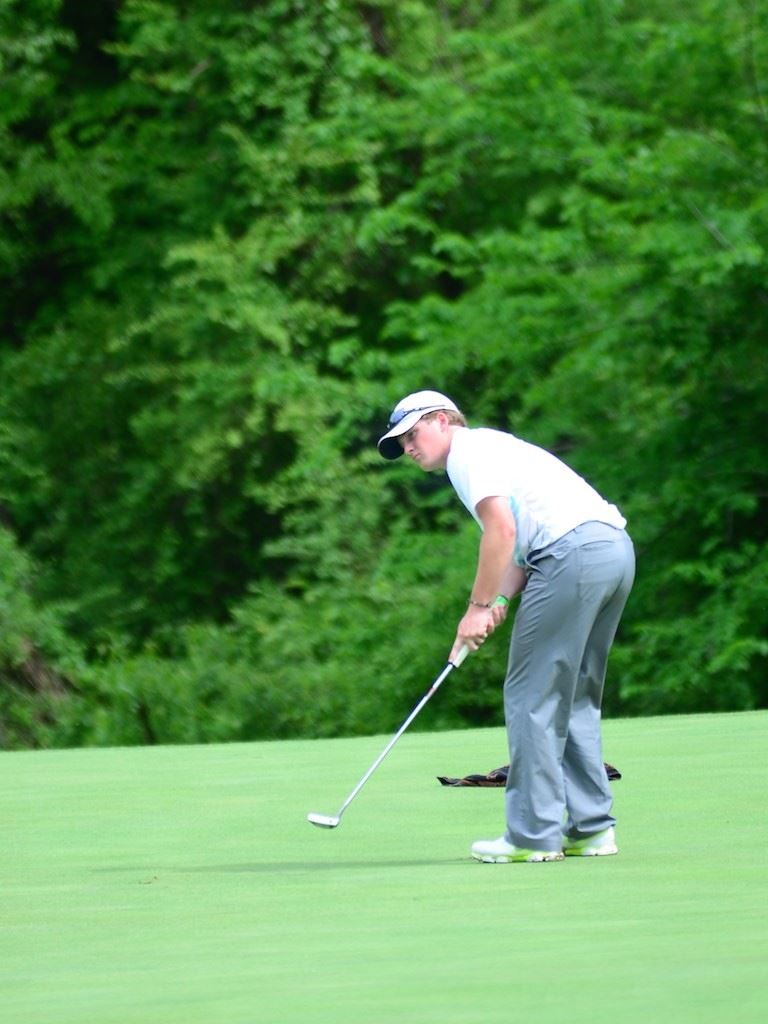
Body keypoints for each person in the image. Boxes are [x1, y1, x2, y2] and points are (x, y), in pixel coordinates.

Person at [377, 390, 635, 864]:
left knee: (531, 694)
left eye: (412, 434)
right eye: (401, 444)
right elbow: (518, 551)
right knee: (573, 693)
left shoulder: (465, 455)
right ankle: (591, 828)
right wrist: (495, 600)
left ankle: (533, 835)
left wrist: (476, 607)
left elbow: (502, 532)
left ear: (441, 420)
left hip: (573, 555)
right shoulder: (492, 448)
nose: (409, 448)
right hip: (612, 551)